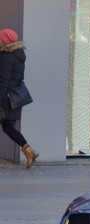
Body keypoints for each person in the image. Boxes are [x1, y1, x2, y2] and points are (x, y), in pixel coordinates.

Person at [0, 28, 38, 168]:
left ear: (4, 40)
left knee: (7, 127)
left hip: (5, 98)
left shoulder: (7, 55)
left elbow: (4, 79)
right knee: (8, 127)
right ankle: (28, 150)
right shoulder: (19, 54)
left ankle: (28, 150)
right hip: (14, 97)